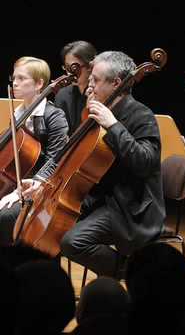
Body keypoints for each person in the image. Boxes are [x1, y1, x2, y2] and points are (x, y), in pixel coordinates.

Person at [59, 50, 166, 279]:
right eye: (90, 80)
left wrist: (113, 125)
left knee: (73, 242)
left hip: (131, 209)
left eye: (96, 81)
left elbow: (145, 163)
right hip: (102, 200)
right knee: (53, 226)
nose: (90, 87)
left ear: (116, 83)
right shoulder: (95, 112)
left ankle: (132, 272)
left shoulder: (141, 115)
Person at [0, 56, 69, 244]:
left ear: (39, 83)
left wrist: (17, 192)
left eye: (22, 79)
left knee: (3, 217)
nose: (15, 83)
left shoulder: (54, 116)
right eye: (14, 78)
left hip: (39, 190)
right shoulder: (17, 113)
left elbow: (56, 161)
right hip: (15, 183)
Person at [54, 40, 97, 135]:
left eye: (74, 68)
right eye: (67, 68)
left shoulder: (100, 93)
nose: (70, 74)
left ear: (90, 66)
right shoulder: (62, 95)